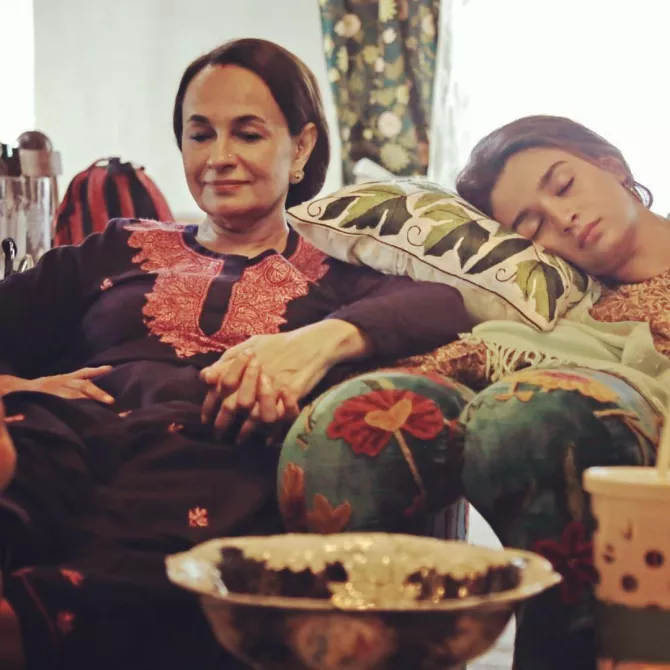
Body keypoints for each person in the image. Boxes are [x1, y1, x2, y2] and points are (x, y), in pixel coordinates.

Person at [0, 39, 471, 670]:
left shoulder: (340, 275)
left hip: (200, 464)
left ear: (300, 147)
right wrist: (14, 386)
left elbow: (442, 303)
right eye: (200, 135)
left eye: (247, 134)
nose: (219, 157)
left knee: (168, 566)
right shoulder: (117, 246)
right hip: (57, 438)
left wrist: (313, 343)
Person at [456, 115, 666, 669]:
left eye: (564, 184)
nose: (563, 217)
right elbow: (468, 351)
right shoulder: (572, 325)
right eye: (532, 226)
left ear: (612, 166)